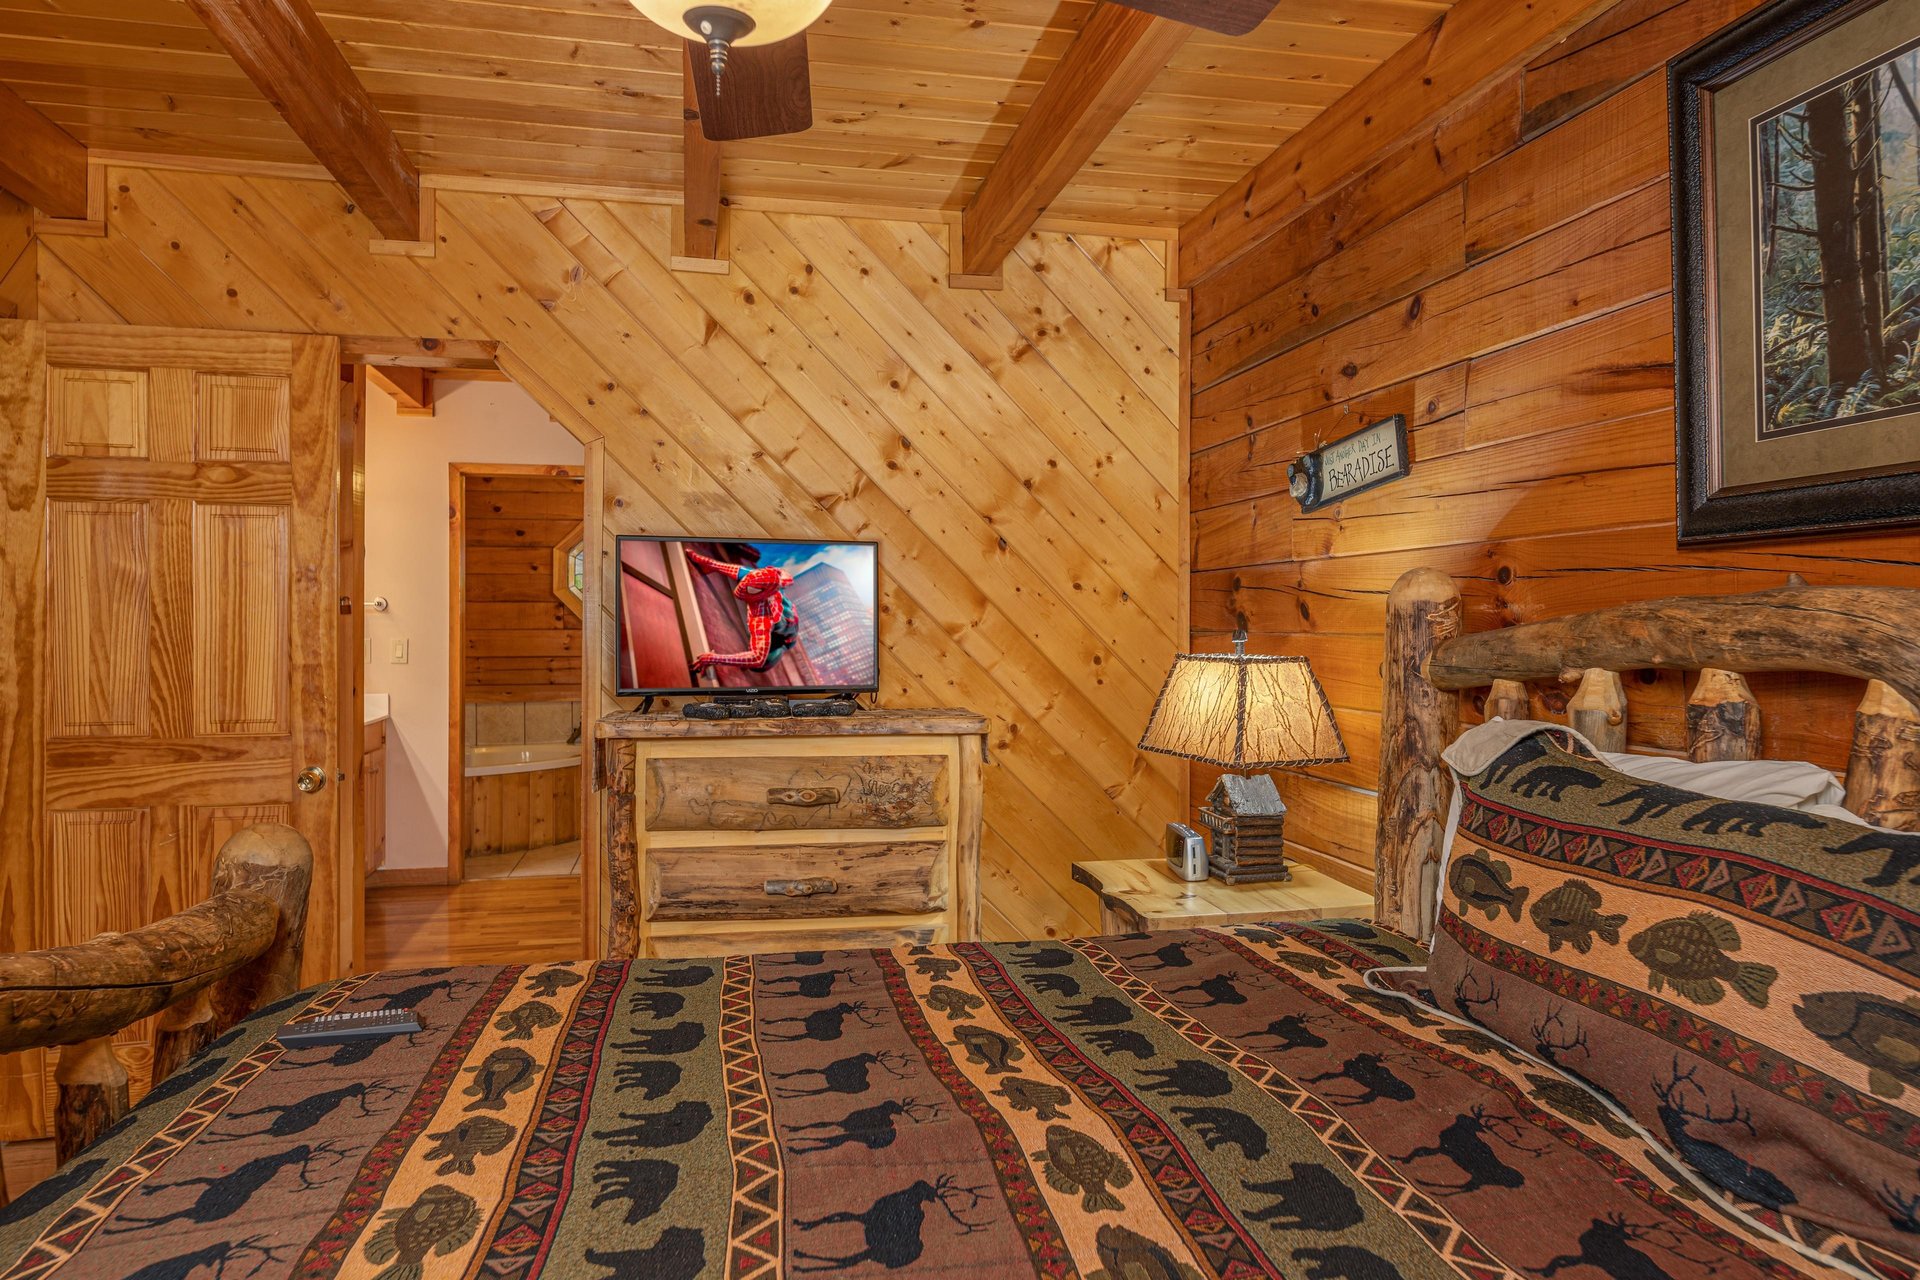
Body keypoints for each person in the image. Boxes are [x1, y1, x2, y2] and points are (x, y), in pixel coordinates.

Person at [685, 548, 799, 674]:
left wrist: (714, 658)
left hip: (784, 639)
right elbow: (784, 577)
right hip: (785, 608)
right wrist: (709, 564)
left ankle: (777, 647)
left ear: (760, 594)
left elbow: (757, 658)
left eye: (750, 589)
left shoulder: (763, 617)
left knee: (760, 665)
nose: (742, 588)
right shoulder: (770, 580)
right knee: (751, 574)